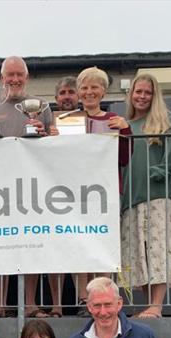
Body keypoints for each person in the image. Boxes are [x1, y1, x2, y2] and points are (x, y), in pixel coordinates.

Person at [0, 56, 54, 319]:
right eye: (10, 75)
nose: (15, 79)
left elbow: (54, 144)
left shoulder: (41, 107)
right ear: (2, 78)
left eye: (20, 74)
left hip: (32, 188)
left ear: (27, 78)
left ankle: (30, 304)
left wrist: (45, 132)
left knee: (32, 243)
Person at [120, 74, 171, 318]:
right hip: (131, 197)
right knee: (140, 251)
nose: (142, 97)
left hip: (158, 195)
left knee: (158, 249)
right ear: (131, 93)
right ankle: (150, 305)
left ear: (154, 95)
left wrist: (160, 170)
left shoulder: (164, 119)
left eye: (147, 93)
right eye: (138, 92)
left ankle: (157, 305)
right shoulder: (127, 125)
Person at [72, 67, 133, 317]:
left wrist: (125, 131)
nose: (89, 92)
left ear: (103, 91)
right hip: (72, 193)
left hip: (104, 192)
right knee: (77, 243)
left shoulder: (112, 120)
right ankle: (82, 300)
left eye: (94, 87)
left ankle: (104, 298)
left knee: (102, 244)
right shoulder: (67, 121)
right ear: (78, 93)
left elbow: (124, 157)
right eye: (84, 87)